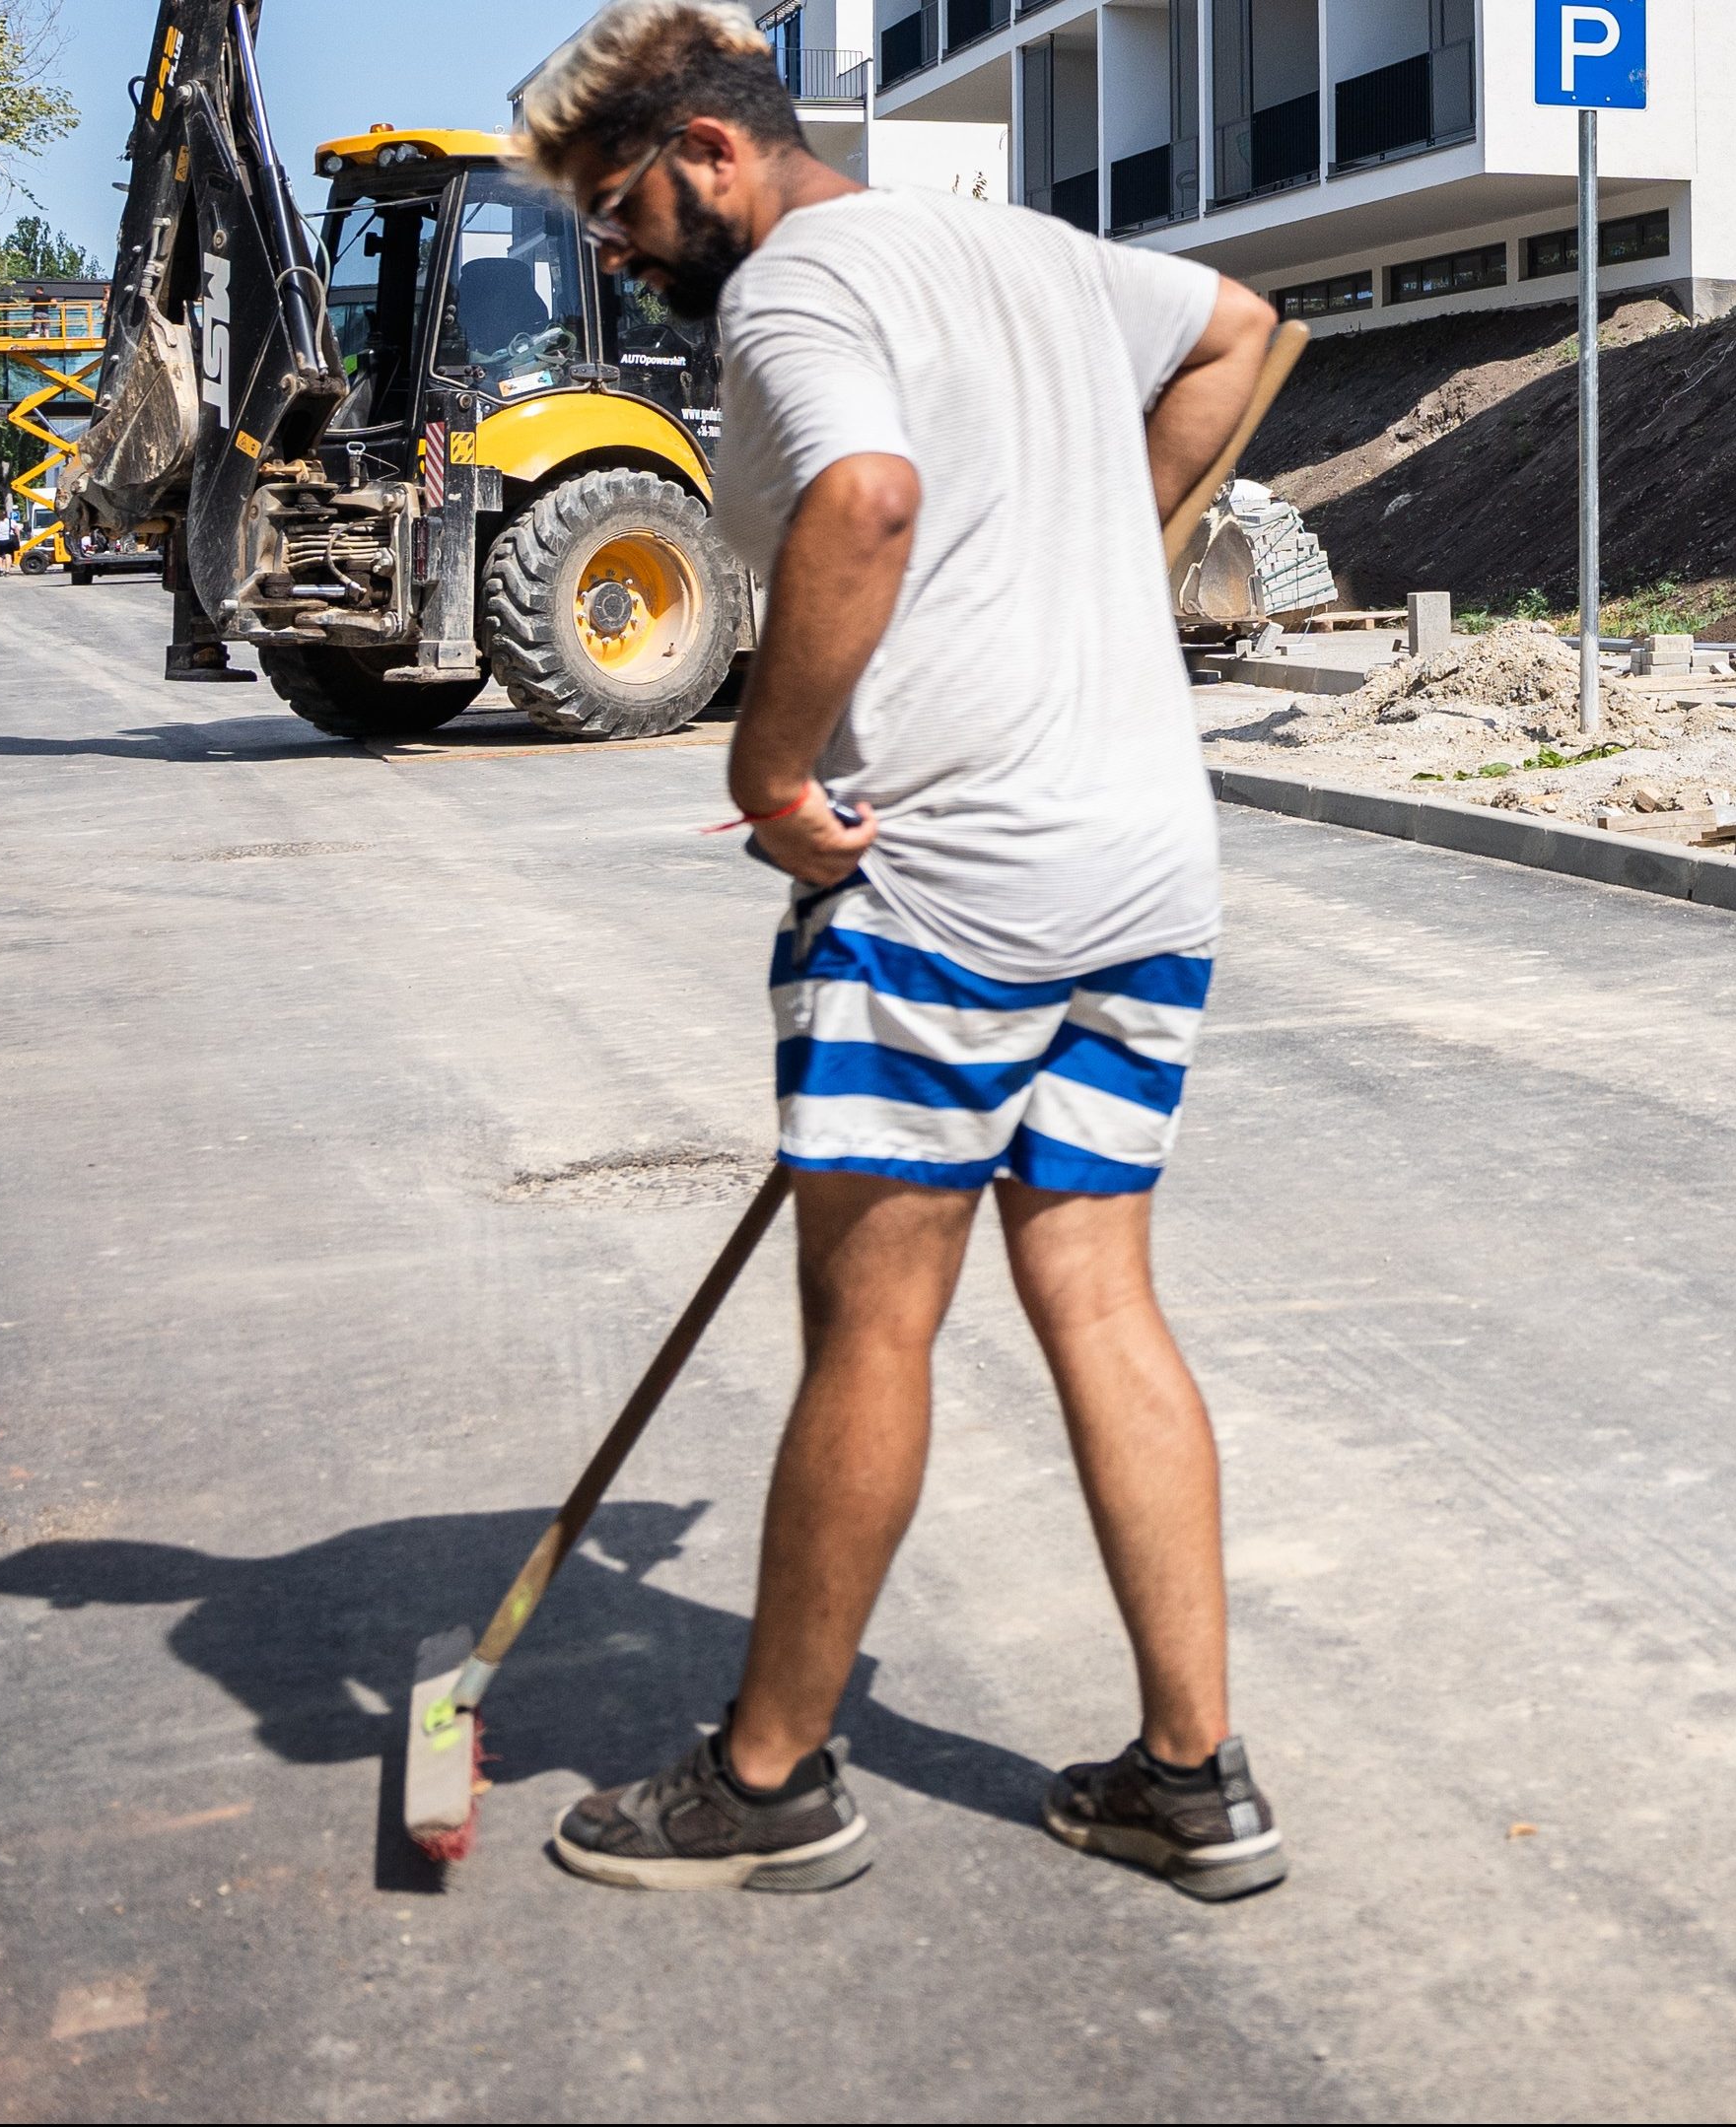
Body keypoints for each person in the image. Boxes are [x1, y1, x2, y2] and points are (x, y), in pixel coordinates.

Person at [516, 0, 1289, 1901]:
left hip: (949, 874)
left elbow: (866, 499)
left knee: (874, 1318)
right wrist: (1115, 535)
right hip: (1139, 864)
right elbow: (1238, 328)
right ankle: (1189, 1777)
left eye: (619, 210)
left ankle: (767, 1776)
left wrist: (771, 767)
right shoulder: (1016, 245)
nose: (616, 255)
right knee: (1099, 1289)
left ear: (711, 154)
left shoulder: (796, 291)